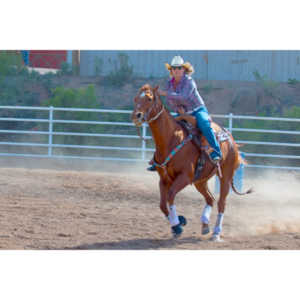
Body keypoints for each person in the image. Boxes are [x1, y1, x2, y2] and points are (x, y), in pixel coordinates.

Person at [148, 55, 222, 171]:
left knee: (204, 124)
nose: (176, 70)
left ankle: (216, 152)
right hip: (182, 112)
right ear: (171, 70)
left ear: (183, 69)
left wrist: (165, 93)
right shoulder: (169, 83)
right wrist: (178, 110)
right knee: (167, 128)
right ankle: (158, 159)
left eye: (179, 68)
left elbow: (184, 96)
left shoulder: (189, 81)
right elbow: (170, 101)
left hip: (198, 110)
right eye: (174, 68)